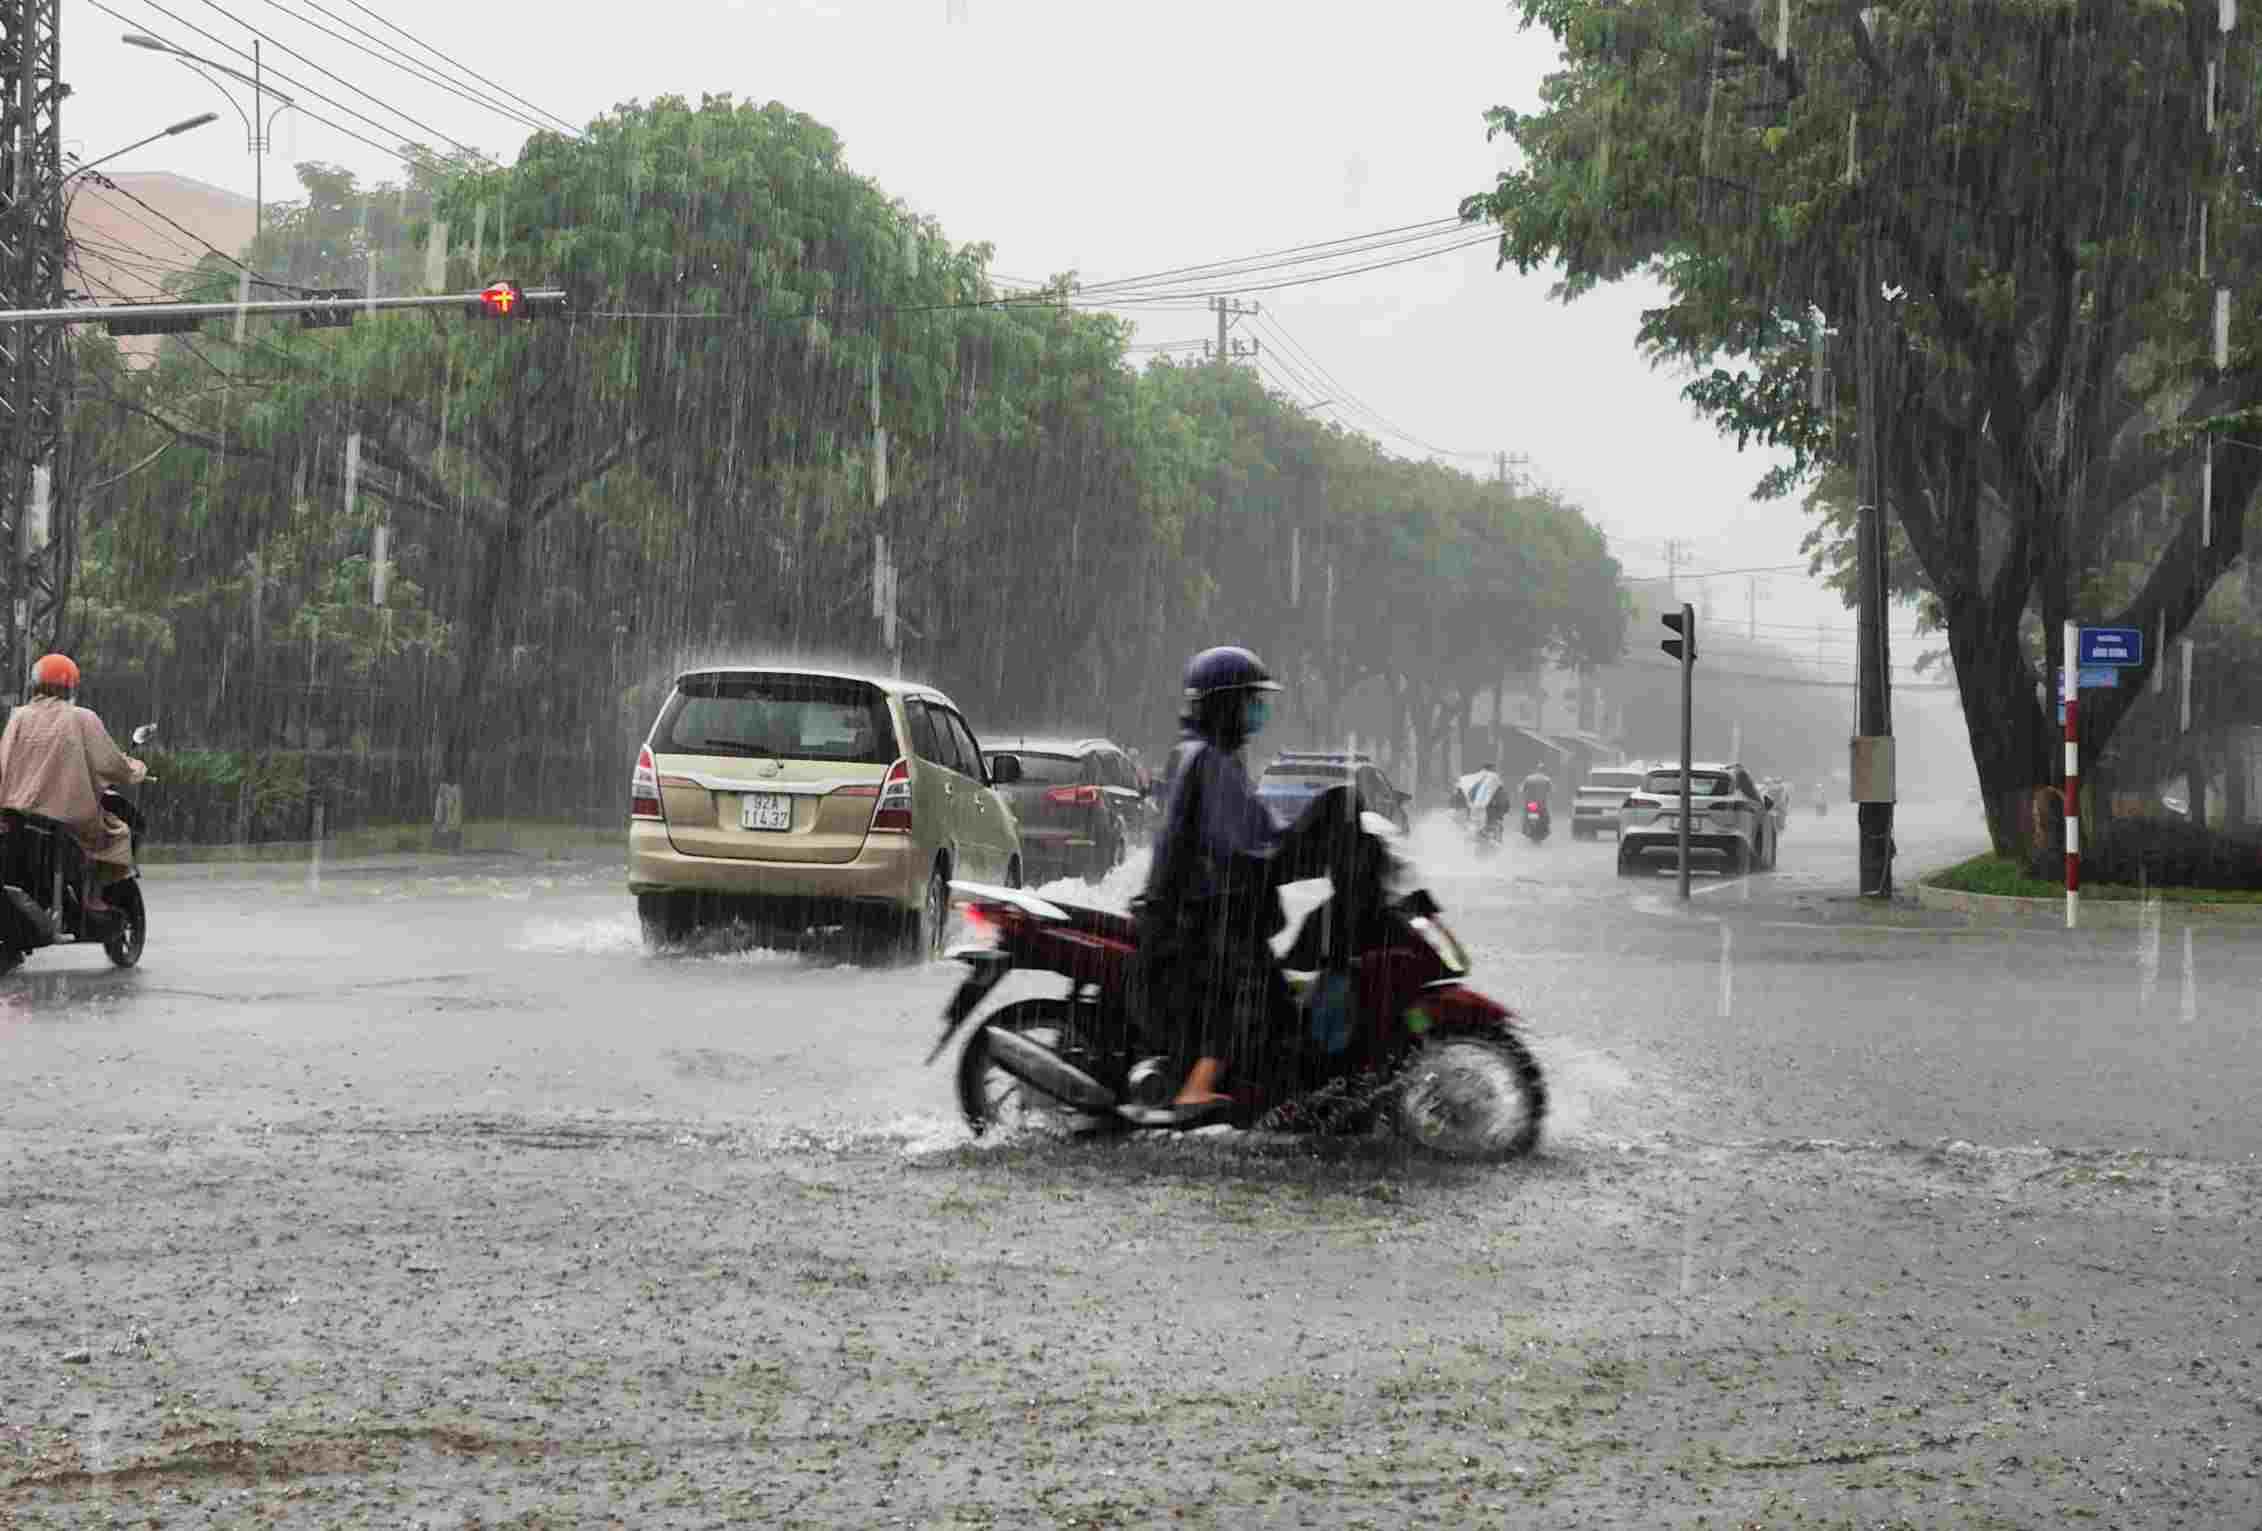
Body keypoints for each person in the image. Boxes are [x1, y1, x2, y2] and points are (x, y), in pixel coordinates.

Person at [1134, 645, 1295, 1112]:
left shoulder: (1208, 754)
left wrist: (1299, 834)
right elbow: (1235, 839)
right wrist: (1287, 851)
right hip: (1200, 909)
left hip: (1194, 903)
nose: (1258, 710)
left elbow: (1253, 821)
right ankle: (1196, 1088)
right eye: (1250, 700)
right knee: (1248, 986)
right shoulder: (1209, 759)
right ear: (1224, 704)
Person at [0, 654, 147, 913]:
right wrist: (136, 769)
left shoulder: (18, 717)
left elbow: (5, 760)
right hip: (67, 818)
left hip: (19, 814)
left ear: (35, 684)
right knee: (116, 834)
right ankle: (93, 897)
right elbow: (111, 764)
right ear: (70, 687)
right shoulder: (82, 718)